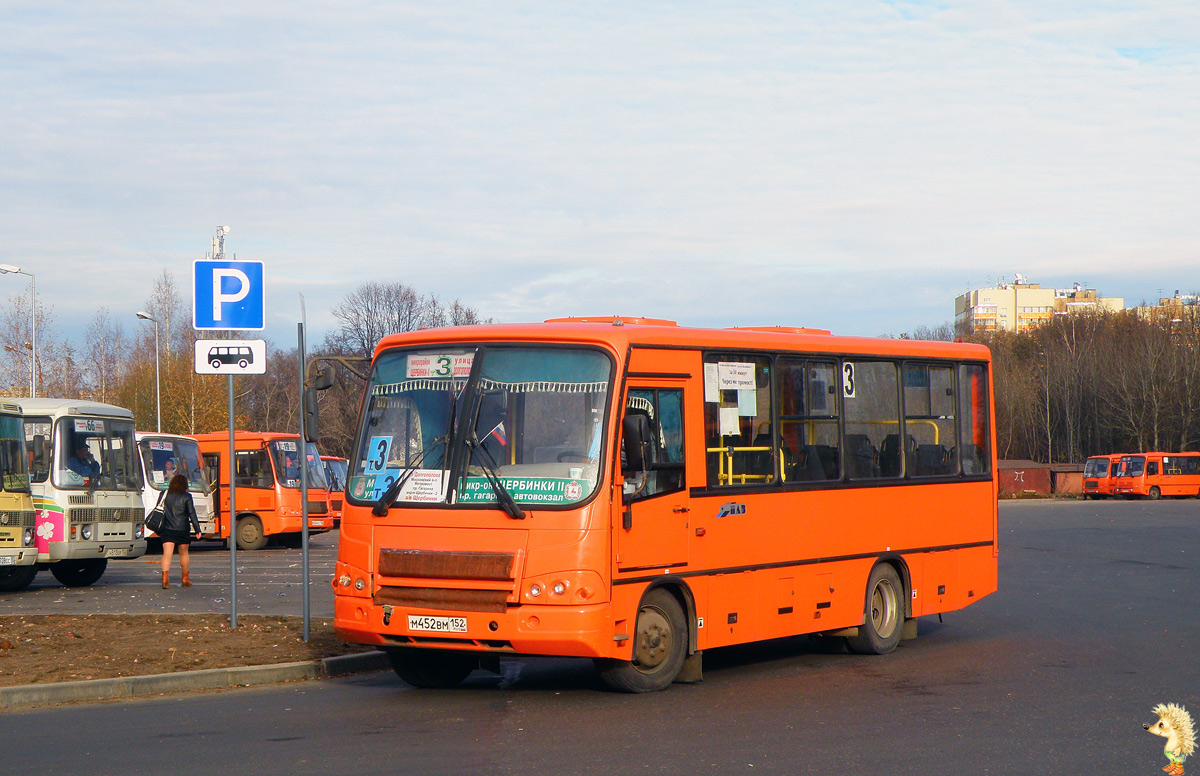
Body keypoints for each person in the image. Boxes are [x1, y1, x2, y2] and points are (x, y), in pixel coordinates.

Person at [159, 473, 202, 588]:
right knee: (184, 554)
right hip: (182, 529)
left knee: (167, 554)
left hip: (167, 528)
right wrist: (197, 529)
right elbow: (192, 513)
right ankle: (185, 579)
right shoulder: (187, 496)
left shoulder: (164, 494)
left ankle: (165, 580)